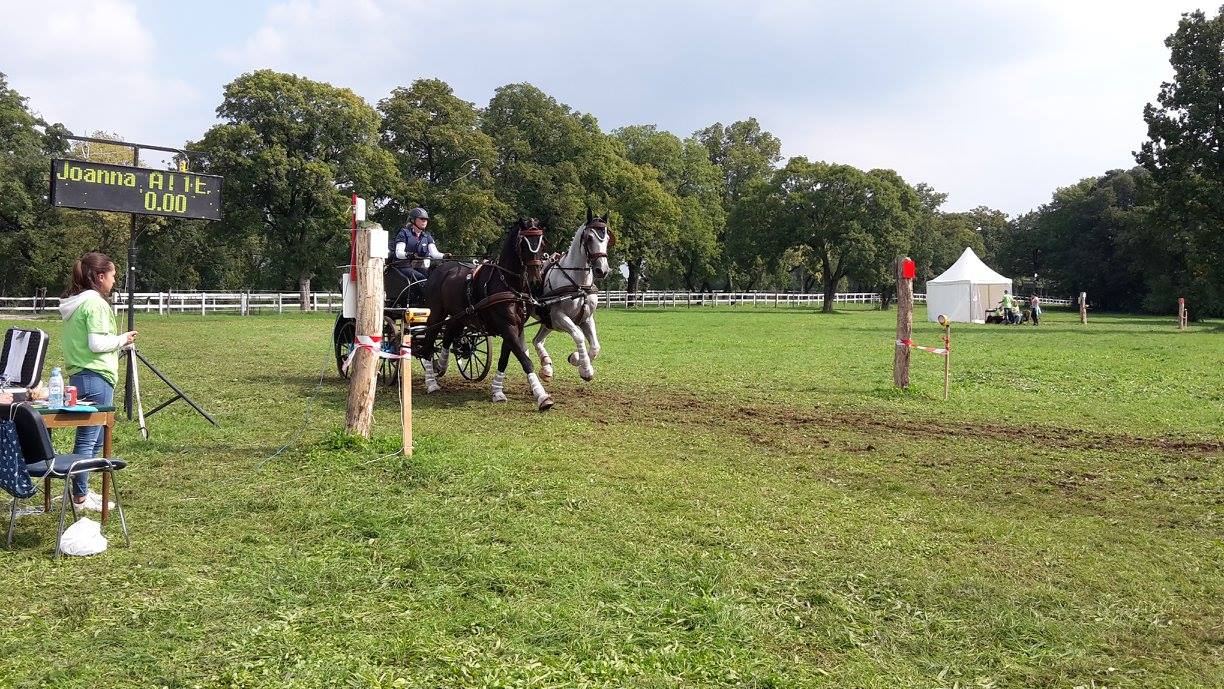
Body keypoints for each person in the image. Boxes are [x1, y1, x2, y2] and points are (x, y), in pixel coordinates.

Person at [58, 252, 137, 506]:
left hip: (80, 375)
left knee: (97, 437)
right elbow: (96, 343)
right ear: (100, 277)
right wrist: (122, 339)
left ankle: (81, 489)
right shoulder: (95, 304)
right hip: (96, 376)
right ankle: (80, 495)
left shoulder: (76, 304)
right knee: (89, 438)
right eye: (113, 275)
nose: (115, 280)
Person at [389, 207, 447, 288]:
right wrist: (409, 255)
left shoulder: (427, 237)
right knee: (421, 278)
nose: (424, 221)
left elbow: (434, 253)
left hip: (420, 267)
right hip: (404, 266)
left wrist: (444, 256)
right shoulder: (403, 233)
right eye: (422, 219)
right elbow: (399, 253)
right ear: (413, 220)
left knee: (435, 277)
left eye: (426, 220)